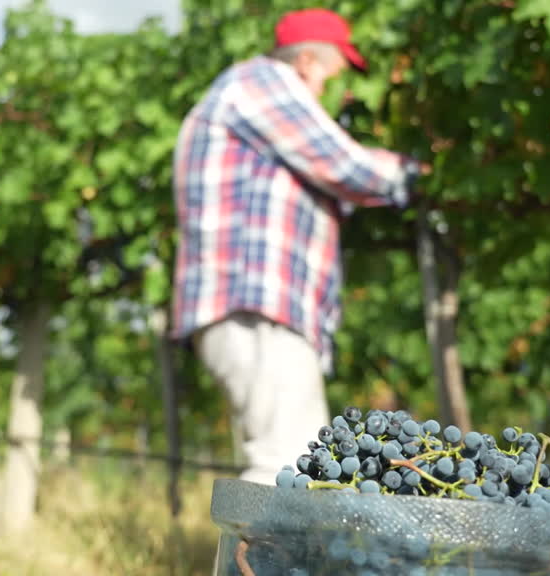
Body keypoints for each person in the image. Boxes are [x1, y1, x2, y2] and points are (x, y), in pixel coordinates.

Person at [170, 9, 422, 486]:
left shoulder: (245, 94)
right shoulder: (263, 83)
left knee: (300, 467)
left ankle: (272, 560)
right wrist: (407, 173)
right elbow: (340, 161)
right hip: (255, 305)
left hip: (256, 309)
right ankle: (257, 563)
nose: (332, 91)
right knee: (286, 467)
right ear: (306, 61)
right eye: (331, 75)